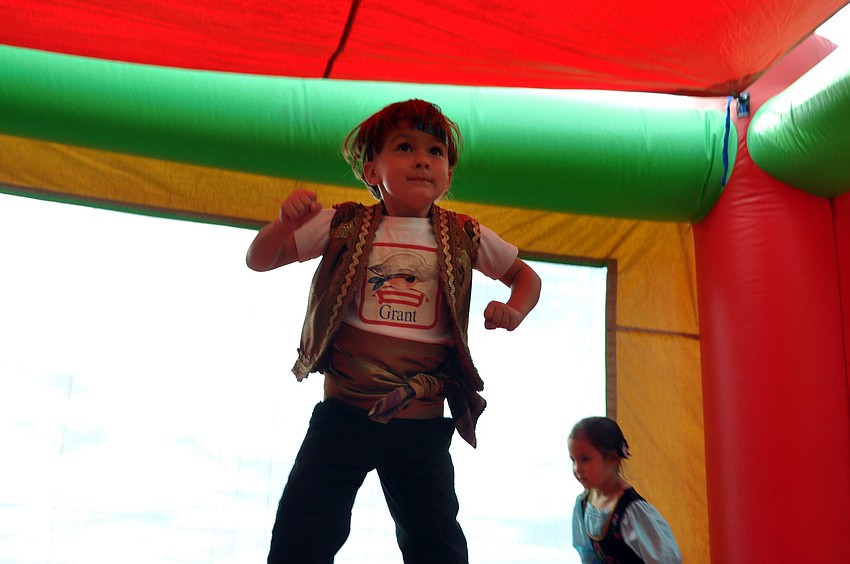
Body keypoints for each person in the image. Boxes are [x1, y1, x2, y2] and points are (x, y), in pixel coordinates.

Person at [246, 99, 542, 564]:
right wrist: (283, 224)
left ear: (447, 175)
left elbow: (527, 277)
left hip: (420, 426)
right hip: (345, 414)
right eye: (405, 147)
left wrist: (513, 310)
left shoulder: (465, 234)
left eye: (436, 151)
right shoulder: (345, 223)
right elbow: (261, 259)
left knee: (436, 543)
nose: (423, 159)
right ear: (371, 171)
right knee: (302, 533)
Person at [569, 416, 682, 564]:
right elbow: (588, 554)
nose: (577, 469)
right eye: (573, 460)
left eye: (585, 459)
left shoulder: (632, 511)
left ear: (612, 458)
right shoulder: (584, 503)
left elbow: (666, 559)